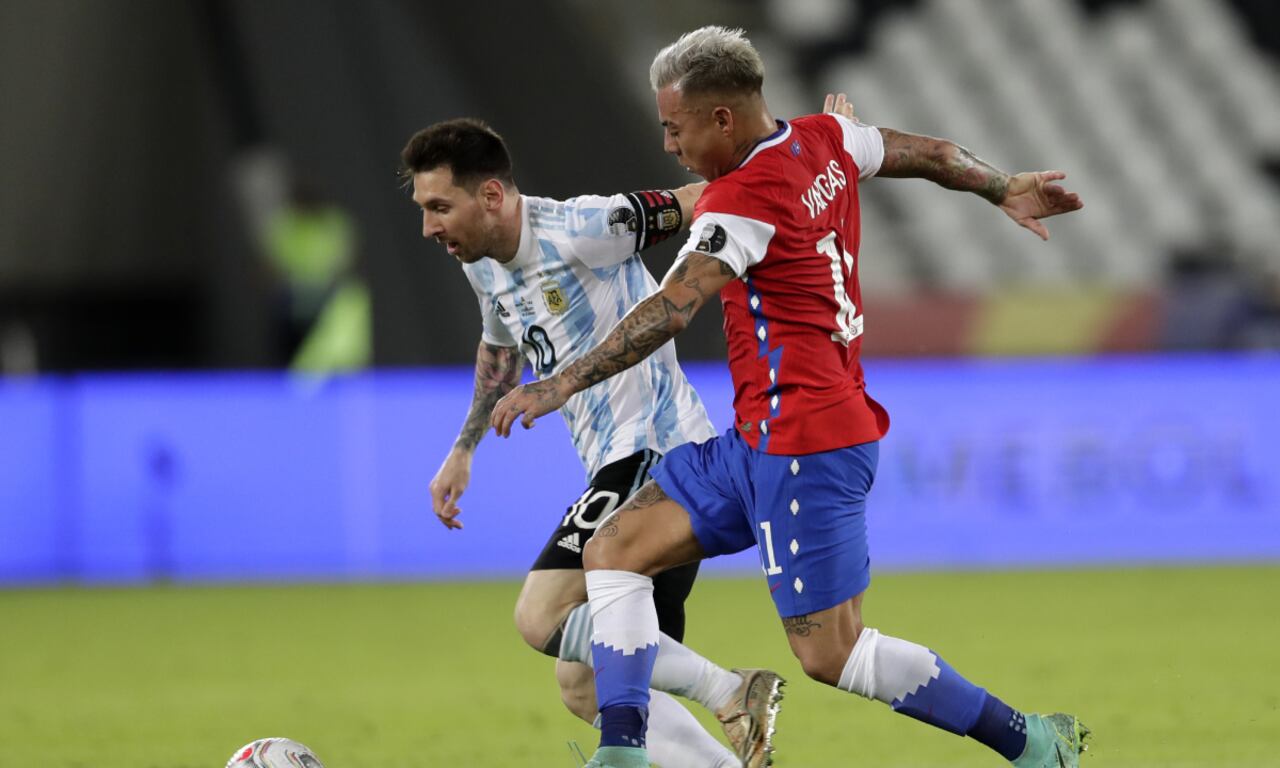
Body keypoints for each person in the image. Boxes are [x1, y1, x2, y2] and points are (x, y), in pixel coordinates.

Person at [490, 26, 1088, 768]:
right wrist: (1002, 186)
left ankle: (1032, 742)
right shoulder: (828, 138)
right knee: (612, 549)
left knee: (831, 654)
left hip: (807, 442)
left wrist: (562, 381)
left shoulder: (741, 201)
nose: (669, 146)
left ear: (722, 119)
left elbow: (673, 307)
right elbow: (931, 153)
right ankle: (623, 753)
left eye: (675, 128)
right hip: (757, 438)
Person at [404, 117, 801, 768]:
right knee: (587, 683)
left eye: (440, 207)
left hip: (655, 448)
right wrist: (464, 449)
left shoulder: (584, 227)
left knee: (540, 615)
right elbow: (500, 350)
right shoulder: (483, 266)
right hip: (617, 460)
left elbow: (697, 199)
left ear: (492, 195)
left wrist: (808, 158)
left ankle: (731, 690)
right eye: (424, 209)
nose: (428, 227)